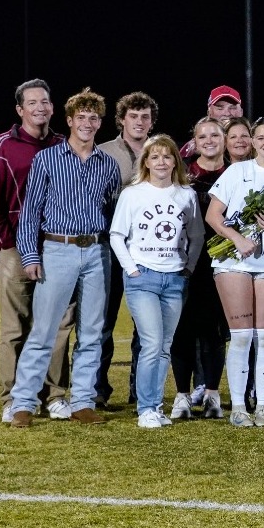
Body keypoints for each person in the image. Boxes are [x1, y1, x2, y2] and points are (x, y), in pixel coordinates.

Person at [2, 88, 125, 427]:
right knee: (43, 331)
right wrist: (30, 255)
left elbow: (111, 209)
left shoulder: (108, 165)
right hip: (57, 249)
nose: (87, 123)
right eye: (81, 117)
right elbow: (30, 214)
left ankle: (83, 402)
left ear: (100, 123)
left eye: (94, 118)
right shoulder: (47, 159)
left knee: (92, 332)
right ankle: (23, 403)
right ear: (69, 120)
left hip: (97, 251)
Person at [0, 78, 68, 418]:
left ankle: (56, 395)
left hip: (58, 247)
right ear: (20, 110)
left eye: (45, 101)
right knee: (16, 326)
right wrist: (8, 243)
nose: (40, 108)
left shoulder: (64, 144)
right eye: (32, 102)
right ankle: (14, 399)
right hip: (18, 247)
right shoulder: (3, 146)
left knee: (59, 323)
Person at [109, 134, 203, 429]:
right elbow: (117, 235)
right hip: (143, 278)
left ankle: (155, 406)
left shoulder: (185, 194)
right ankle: (146, 408)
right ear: (145, 162)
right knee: (151, 343)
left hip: (174, 279)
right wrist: (132, 269)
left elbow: (196, 235)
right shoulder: (133, 193)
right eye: (155, 156)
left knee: (164, 346)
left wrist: (187, 266)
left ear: (175, 160)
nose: (161, 161)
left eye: (167, 156)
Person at [205, 116, 264, 426]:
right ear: (253, 142)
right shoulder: (237, 171)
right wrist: (238, 239)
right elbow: (213, 215)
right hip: (233, 262)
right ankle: (240, 408)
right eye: (261, 138)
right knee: (241, 337)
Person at [94, 90, 158, 406]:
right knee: (101, 323)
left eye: (145, 116)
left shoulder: (161, 151)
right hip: (108, 249)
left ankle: (139, 390)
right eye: (133, 116)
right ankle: (97, 390)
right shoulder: (102, 152)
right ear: (121, 119)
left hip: (147, 251)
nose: (139, 121)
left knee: (144, 327)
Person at [171, 117, 232, 419]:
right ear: (193, 141)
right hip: (183, 262)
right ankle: (182, 395)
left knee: (213, 331)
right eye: (202, 136)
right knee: (182, 328)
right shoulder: (181, 175)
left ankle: (212, 394)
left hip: (222, 261)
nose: (209, 141)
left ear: (224, 139)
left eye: (215, 135)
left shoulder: (236, 173)